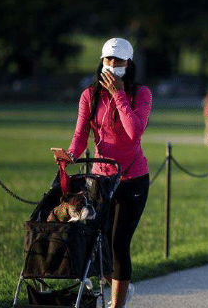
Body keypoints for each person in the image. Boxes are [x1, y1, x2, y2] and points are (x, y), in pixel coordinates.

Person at [52, 38, 153, 308]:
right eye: (108, 60)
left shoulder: (141, 94)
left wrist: (119, 94)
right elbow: (80, 134)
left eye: (118, 61)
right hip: (101, 180)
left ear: (128, 64)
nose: (112, 65)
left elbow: (134, 132)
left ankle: (116, 304)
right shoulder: (89, 95)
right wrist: (71, 154)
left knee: (119, 244)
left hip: (133, 179)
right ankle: (121, 286)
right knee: (99, 243)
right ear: (101, 61)